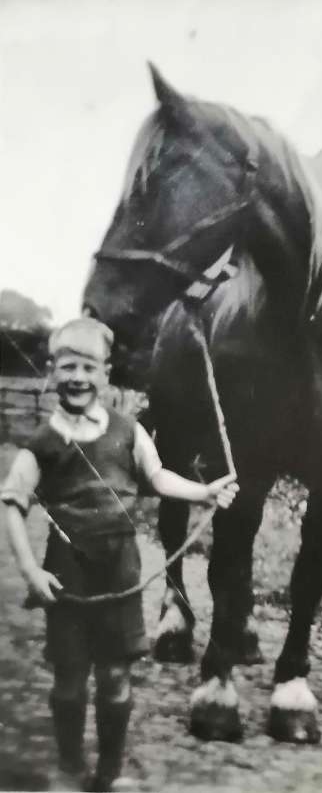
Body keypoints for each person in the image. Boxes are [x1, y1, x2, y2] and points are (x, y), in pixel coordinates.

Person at [1, 317, 238, 792]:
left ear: (106, 375)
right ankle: (69, 767)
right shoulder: (43, 442)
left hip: (121, 572)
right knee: (69, 678)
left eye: (89, 367)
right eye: (67, 366)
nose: (78, 377)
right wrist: (30, 571)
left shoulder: (129, 431)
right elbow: (11, 503)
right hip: (66, 575)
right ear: (51, 371)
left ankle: (108, 772)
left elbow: (158, 478)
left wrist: (204, 491)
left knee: (114, 677)